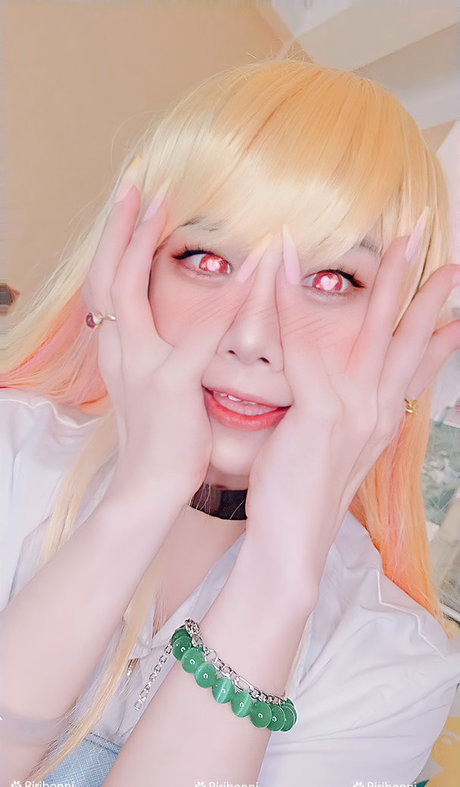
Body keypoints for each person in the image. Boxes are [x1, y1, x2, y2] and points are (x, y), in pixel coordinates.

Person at [1, 55, 460, 787]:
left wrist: (278, 582)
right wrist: (137, 501)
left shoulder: (390, 665)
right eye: (208, 259)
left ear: (404, 328)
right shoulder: (11, 456)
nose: (251, 336)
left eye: (332, 278)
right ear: (127, 269)